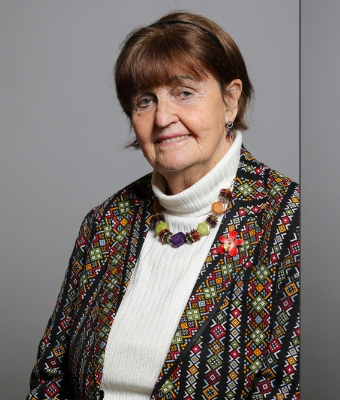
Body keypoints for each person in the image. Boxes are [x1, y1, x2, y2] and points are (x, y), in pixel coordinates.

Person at [27, 12, 300, 400]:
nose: (163, 118)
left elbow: (285, 388)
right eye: (144, 101)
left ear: (231, 100)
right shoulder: (106, 223)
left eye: (184, 92)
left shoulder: (288, 221)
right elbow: (50, 374)